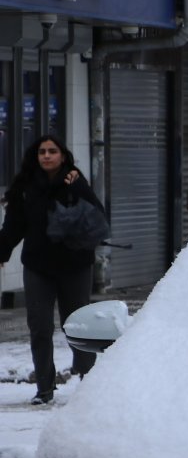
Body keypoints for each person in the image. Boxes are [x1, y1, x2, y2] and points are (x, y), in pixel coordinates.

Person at [0, 135, 104, 405]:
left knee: (78, 327)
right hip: (38, 266)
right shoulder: (25, 186)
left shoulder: (74, 179)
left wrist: (78, 186)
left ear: (62, 155)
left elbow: (96, 214)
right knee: (40, 326)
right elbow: (13, 225)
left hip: (75, 266)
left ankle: (87, 381)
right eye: (42, 152)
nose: (46, 156)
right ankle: (44, 388)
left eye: (52, 151)